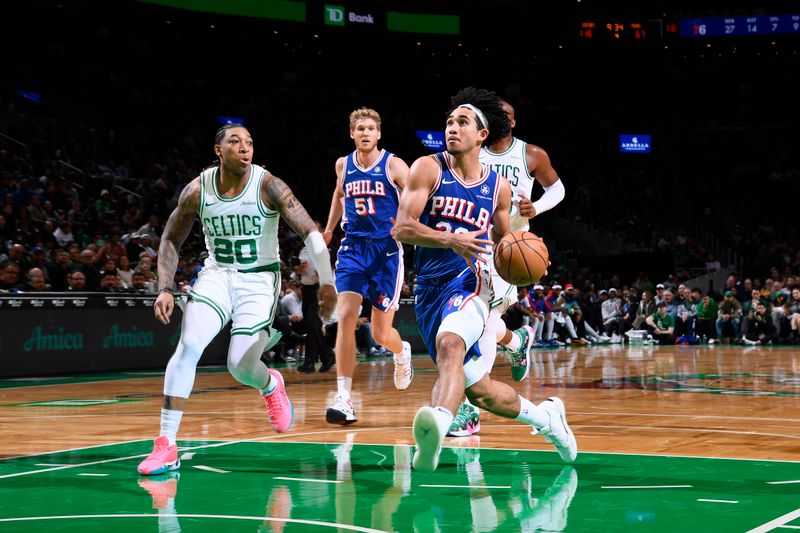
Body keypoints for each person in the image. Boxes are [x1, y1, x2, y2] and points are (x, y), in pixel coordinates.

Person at [137, 124, 337, 475]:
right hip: (217, 274)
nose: (245, 148)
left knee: (239, 366)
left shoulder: (268, 185)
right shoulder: (198, 190)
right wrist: (165, 288)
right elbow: (170, 240)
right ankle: (166, 443)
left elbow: (310, 231)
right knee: (188, 345)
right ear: (218, 150)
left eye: (249, 143)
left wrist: (328, 281)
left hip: (259, 278)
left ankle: (270, 383)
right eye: (235, 142)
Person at [394, 87, 576, 472]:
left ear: (481, 134)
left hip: (472, 283)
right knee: (482, 393)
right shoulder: (428, 167)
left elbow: (502, 244)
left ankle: (438, 427)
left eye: (462, 122)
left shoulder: (499, 188)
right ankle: (548, 418)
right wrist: (448, 238)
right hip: (429, 287)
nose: (452, 128)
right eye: (449, 122)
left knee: (450, 345)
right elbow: (402, 227)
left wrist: (530, 261)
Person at [449, 99, 567, 435]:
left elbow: (557, 189)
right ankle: (517, 343)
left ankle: (470, 411)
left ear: (513, 122)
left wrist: (537, 208)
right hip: (473, 244)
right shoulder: (474, 151)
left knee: (484, 322)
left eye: (506, 116)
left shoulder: (531, 154)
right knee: (478, 322)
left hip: (509, 247)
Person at [321, 107, 413, 424]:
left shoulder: (394, 164)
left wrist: (406, 222)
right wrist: (331, 228)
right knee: (346, 316)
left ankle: (401, 352)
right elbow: (338, 194)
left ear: (379, 134)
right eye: (359, 128)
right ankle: (344, 398)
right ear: (352, 133)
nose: (365, 133)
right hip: (352, 248)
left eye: (370, 128)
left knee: (380, 334)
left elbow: (417, 194)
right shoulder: (342, 164)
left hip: (386, 252)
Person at [294, 221, 336, 374]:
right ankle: (321, 359)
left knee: (312, 323)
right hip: (306, 289)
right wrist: (298, 269)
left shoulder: (326, 249)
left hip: (320, 290)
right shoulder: (303, 249)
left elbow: (332, 271)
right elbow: (295, 270)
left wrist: (324, 275)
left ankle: (316, 360)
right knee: (312, 325)